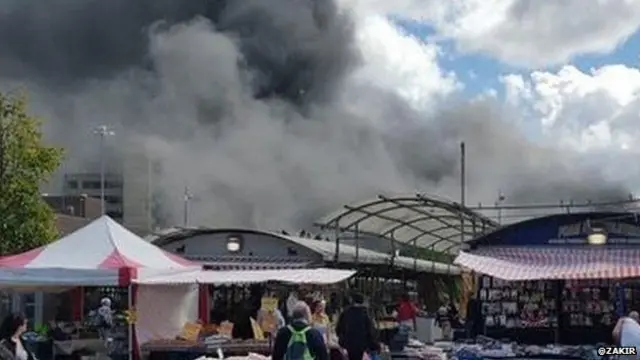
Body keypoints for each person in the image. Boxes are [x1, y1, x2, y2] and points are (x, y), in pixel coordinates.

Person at [336, 293, 378, 360]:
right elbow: (370, 330)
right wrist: (374, 344)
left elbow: (338, 329)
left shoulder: (346, 313)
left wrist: (342, 339)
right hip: (361, 344)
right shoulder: (365, 314)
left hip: (348, 343)